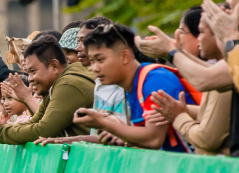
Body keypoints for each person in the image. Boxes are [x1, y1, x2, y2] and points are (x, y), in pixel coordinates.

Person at [73, 23, 198, 152]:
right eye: (92, 61)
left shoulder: (155, 81)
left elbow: (154, 139)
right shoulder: (133, 85)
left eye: (100, 60)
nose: (95, 68)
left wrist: (103, 123)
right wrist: (122, 137)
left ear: (124, 56)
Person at [0, 34, 95, 145]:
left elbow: (43, 130)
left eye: (33, 72)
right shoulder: (55, 85)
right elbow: (35, 122)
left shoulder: (69, 84)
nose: (30, 79)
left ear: (54, 66)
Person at [147, 9, 230, 155]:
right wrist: (181, 109)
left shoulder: (224, 78)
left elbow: (207, 139)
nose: (199, 39)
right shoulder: (221, 70)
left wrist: (179, 117)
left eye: (202, 32)